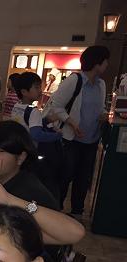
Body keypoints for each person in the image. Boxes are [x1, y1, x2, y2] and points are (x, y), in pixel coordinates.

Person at [45, 45, 109, 217]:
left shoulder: (101, 84)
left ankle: (77, 213)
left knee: (83, 178)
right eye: (105, 61)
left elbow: (100, 107)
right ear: (97, 63)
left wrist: (103, 114)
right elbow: (56, 106)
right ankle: (56, 211)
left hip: (92, 139)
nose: (107, 64)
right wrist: (71, 122)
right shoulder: (75, 80)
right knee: (65, 175)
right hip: (71, 139)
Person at [10, 72, 63, 200]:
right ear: (24, 91)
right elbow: (36, 134)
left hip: (19, 151)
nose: (40, 90)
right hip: (32, 153)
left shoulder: (17, 107)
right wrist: (57, 136)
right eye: (36, 87)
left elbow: (27, 125)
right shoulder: (33, 111)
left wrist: (46, 120)